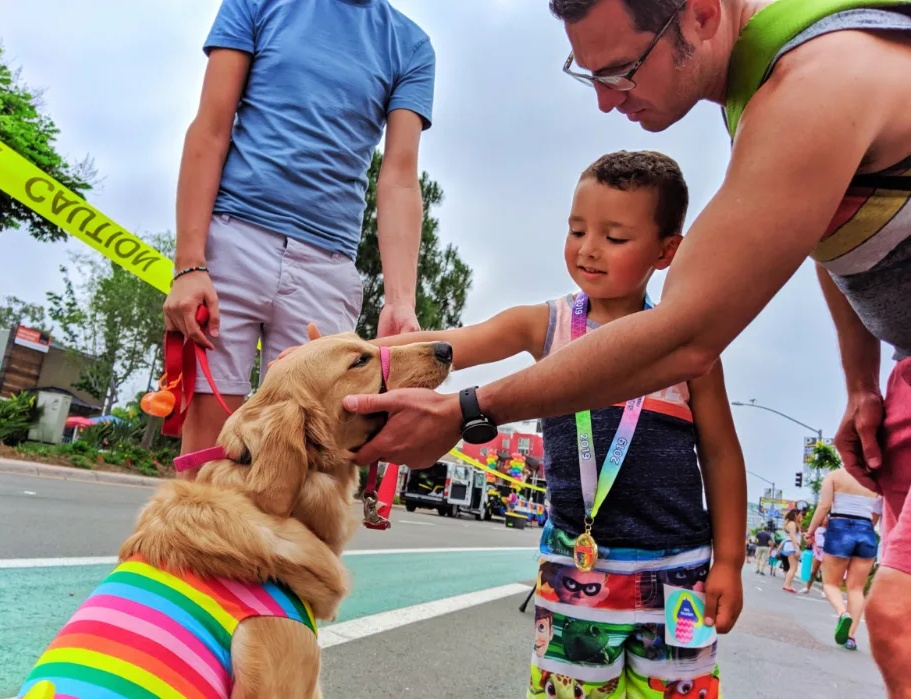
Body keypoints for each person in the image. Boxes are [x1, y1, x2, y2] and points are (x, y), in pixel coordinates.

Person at [339, 2, 911, 692]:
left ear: (699, 15)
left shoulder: (814, 80)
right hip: (580, 576)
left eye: (620, 71)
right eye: (589, 78)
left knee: (896, 621)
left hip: (673, 572)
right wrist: (860, 378)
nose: (608, 101)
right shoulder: (766, 87)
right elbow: (828, 230)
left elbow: (688, 351)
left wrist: (466, 410)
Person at [339, 151, 746, 695]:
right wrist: (345, 354)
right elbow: (448, 345)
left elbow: (720, 454)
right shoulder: (545, 324)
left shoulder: (688, 347)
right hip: (574, 575)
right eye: (577, 229)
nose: (588, 248)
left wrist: (731, 563)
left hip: (678, 578)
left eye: (615, 237)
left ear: (666, 250)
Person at [163, 0, 436, 463]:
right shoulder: (257, 4)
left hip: (326, 267)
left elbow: (400, 176)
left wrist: (400, 300)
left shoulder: (410, 46)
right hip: (234, 241)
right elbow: (211, 127)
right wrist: (189, 262)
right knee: (208, 451)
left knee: (310, 457)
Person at [806, 469, 883, 652]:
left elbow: (824, 506)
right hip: (866, 531)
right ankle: (850, 637)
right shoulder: (875, 480)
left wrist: (810, 531)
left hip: (840, 529)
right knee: (856, 588)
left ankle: (843, 614)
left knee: (831, 583)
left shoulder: (834, 476)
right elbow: (876, 514)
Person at [801, 515, 828, 594]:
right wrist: (804, 537)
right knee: (813, 571)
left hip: (826, 553)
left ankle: (825, 591)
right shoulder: (816, 530)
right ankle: (807, 587)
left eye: (827, 519)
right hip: (817, 553)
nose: (826, 520)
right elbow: (809, 541)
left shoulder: (831, 530)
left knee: (825, 572)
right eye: (824, 518)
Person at [780, 509, 804, 593]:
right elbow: (793, 536)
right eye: (800, 514)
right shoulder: (792, 523)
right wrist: (797, 548)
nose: (801, 516)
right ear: (795, 515)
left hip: (790, 545)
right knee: (793, 568)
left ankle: (787, 585)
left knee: (793, 567)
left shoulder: (792, 523)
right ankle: (787, 585)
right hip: (792, 546)